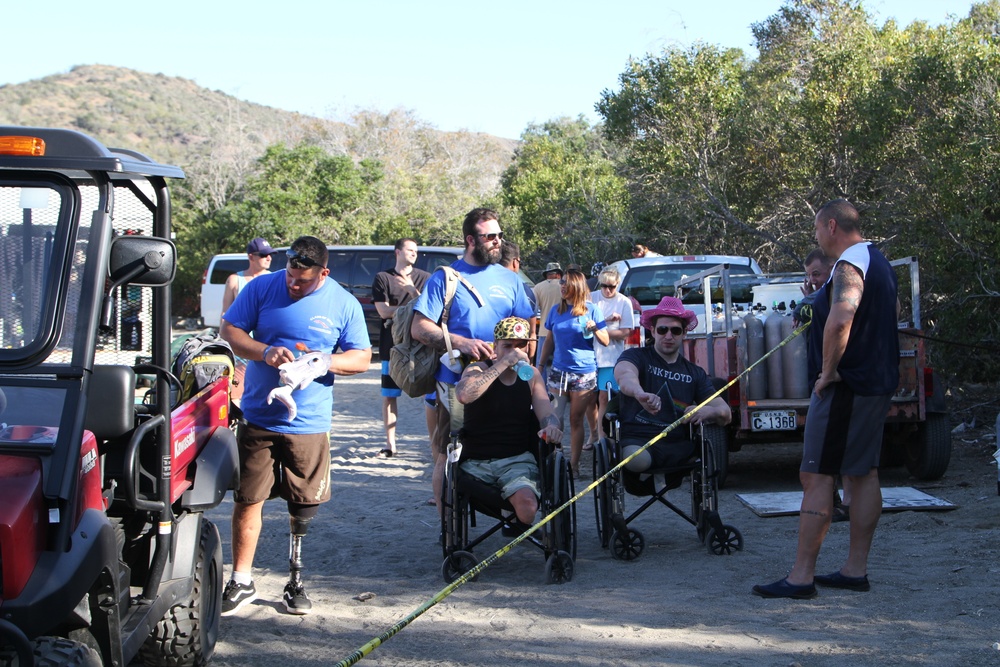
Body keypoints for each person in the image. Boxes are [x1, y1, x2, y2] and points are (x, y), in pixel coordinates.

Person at [753, 198, 899, 599]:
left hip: (846, 386)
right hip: (876, 382)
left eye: (817, 229)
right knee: (863, 472)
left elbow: (841, 318)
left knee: (817, 476)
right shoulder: (879, 262)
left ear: (832, 226)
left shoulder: (849, 265)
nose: (816, 236)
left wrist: (829, 373)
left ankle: (801, 578)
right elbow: (893, 312)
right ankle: (855, 570)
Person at [220, 236, 372, 616]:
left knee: (302, 505)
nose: (293, 285)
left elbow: (362, 358)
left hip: (309, 423)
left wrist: (324, 362)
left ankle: (295, 580)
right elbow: (231, 333)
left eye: (303, 281)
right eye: (290, 276)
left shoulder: (343, 302)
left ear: (324, 273)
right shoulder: (261, 287)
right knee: (247, 498)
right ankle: (241, 579)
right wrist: (264, 351)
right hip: (259, 415)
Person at [410, 208, 535, 512]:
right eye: (490, 236)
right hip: (457, 380)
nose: (498, 242)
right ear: (470, 240)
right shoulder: (446, 277)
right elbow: (418, 327)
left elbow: (526, 322)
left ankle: (513, 504)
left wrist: (525, 358)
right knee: (450, 450)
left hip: (507, 377)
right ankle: (447, 526)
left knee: (512, 440)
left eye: (500, 235)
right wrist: (462, 342)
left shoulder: (510, 279)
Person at [454, 317, 563, 530]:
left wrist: (551, 427)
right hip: (476, 461)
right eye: (508, 346)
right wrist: (504, 363)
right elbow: (464, 395)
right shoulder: (476, 369)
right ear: (496, 346)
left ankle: (516, 520)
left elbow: (546, 414)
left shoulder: (532, 376)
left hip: (516, 461)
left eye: (521, 345)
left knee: (528, 509)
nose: (516, 351)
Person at [613, 296, 731, 477]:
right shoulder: (635, 356)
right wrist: (639, 394)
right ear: (652, 331)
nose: (668, 336)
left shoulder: (695, 373)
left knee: (698, 458)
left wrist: (706, 412)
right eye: (662, 329)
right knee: (637, 461)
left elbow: (725, 413)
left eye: (675, 330)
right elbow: (625, 376)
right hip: (638, 439)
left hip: (679, 444)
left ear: (684, 333)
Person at [538, 268, 609, 478]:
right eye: (561, 283)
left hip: (583, 373)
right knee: (553, 419)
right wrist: (541, 365)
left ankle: (574, 466)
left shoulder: (592, 310)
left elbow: (605, 340)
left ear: (575, 286)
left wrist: (595, 328)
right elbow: (549, 340)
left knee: (575, 420)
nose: (561, 286)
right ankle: (555, 459)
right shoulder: (555, 311)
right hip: (558, 372)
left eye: (565, 283)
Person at [797, 248, 851, 522]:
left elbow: (837, 322)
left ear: (832, 269)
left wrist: (828, 374)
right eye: (809, 276)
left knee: (824, 451)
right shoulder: (819, 297)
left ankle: (837, 504)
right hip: (820, 377)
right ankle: (836, 500)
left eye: (816, 273)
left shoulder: (837, 292)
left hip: (831, 381)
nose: (814, 280)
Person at [371, 238, 434, 458]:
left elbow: (430, 310)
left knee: (430, 396)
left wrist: (413, 292)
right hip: (393, 347)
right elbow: (383, 311)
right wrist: (411, 308)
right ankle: (390, 444)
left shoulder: (425, 278)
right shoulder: (383, 278)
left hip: (422, 347)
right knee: (389, 395)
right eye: (410, 250)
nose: (414, 253)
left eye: (416, 250)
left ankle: (433, 444)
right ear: (398, 252)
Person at [585, 265, 636, 448]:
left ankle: (604, 436)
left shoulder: (623, 302)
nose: (607, 290)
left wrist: (600, 329)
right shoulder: (592, 297)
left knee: (605, 398)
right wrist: (606, 322)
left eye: (611, 287)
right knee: (589, 399)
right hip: (590, 355)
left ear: (617, 285)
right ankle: (594, 433)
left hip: (611, 357)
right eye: (604, 285)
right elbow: (584, 323)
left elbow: (625, 332)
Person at [222, 237, 274, 402]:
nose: (268, 258)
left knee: (266, 395)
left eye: (270, 254)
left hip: (266, 348)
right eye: (263, 254)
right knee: (237, 396)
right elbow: (225, 315)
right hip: (240, 349)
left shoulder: (275, 280)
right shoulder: (234, 280)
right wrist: (224, 345)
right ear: (251, 257)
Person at [500, 239, 537, 359]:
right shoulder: (525, 291)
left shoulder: (482, 284)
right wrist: (530, 362)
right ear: (515, 262)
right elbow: (531, 334)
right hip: (516, 361)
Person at [533, 262, 563, 368]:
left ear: (547, 275)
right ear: (559, 274)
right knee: (561, 361)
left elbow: (534, 309)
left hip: (544, 330)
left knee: (541, 363)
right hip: (562, 330)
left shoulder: (538, 287)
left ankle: (540, 383)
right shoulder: (564, 286)